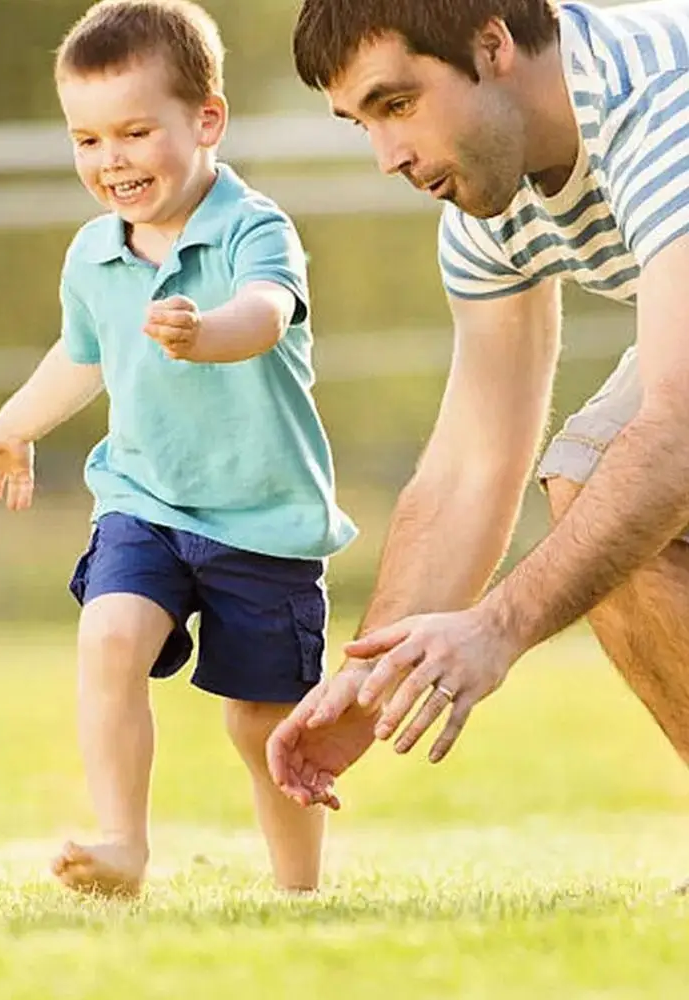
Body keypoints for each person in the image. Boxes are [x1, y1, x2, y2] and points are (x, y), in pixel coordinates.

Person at [0, 0, 356, 895]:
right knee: (110, 636)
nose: (110, 160)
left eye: (134, 131)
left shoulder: (254, 227)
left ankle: (297, 887)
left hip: (263, 519)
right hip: (145, 502)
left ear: (207, 121)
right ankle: (122, 844)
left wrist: (204, 331)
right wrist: (14, 425)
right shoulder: (92, 255)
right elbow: (80, 356)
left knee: (261, 721)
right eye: (86, 140)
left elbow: (266, 314)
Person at [267, 0, 689, 812]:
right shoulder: (488, 197)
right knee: (592, 479)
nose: (388, 155)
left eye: (397, 104)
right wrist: (372, 673)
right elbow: (471, 466)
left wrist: (499, 626)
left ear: (492, 44)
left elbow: (675, 436)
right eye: (363, 124)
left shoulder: (658, 102)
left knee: (634, 468)